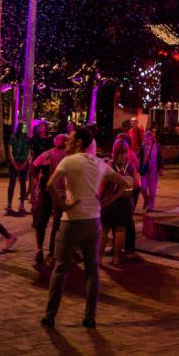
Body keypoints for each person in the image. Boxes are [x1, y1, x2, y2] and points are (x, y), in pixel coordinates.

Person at [42, 127, 131, 328]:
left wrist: (63, 204)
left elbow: (49, 185)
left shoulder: (68, 161)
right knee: (92, 270)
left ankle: (50, 315)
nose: (66, 142)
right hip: (93, 221)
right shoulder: (100, 163)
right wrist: (105, 202)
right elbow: (125, 184)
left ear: (79, 143)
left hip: (72, 220)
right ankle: (90, 316)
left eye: (70, 139)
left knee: (60, 269)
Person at [31, 134, 68, 265]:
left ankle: (41, 250)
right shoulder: (68, 155)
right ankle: (51, 252)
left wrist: (38, 179)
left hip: (49, 191)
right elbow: (34, 167)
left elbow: (33, 167)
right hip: (58, 193)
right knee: (55, 223)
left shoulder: (48, 154)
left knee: (43, 221)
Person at [100, 141, 137, 265]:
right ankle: (116, 258)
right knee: (120, 230)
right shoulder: (130, 166)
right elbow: (135, 184)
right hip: (125, 202)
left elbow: (103, 185)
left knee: (104, 230)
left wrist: (100, 200)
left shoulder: (109, 165)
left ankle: (98, 258)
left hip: (110, 202)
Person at [6, 124, 32, 213]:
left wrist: (25, 163)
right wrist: (14, 164)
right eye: (24, 127)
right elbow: (10, 151)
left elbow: (29, 152)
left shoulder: (28, 139)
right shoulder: (13, 138)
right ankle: (9, 204)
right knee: (12, 184)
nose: (25, 129)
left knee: (23, 184)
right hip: (14, 163)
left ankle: (21, 204)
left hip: (23, 163)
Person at [139, 129, 165, 213]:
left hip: (153, 170)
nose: (146, 139)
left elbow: (161, 158)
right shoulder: (143, 147)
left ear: (152, 137)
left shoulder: (157, 146)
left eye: (147, 137)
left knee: (152, 189)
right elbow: (137, 156)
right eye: (145, 137)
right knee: (143, 187)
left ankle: (151, 206)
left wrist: (161, 168)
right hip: (144, 170)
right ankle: (146, 200)